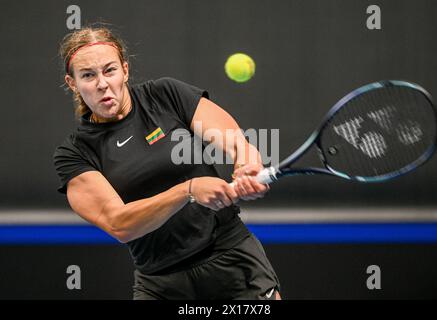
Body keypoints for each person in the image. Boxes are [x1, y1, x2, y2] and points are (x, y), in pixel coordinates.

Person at [54, 26, 281, 300]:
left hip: (231, 260)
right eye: (88, 75)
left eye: (110, 70)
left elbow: (236, 143)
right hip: (161, 285)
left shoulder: (165, 95)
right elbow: (119, 224)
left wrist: (246, 166)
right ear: (72, 83)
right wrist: (188, 190)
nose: (102, 83)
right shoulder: (75, 153)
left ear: (125, 70)